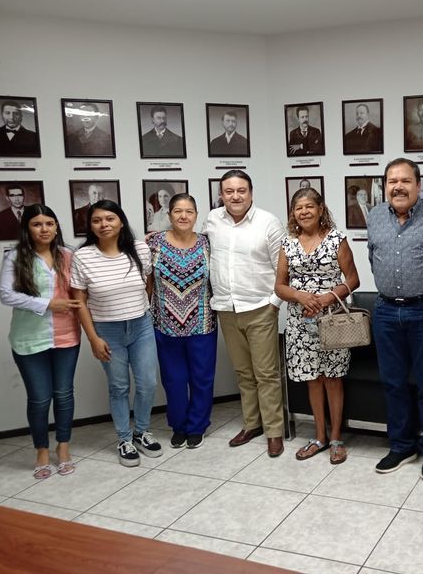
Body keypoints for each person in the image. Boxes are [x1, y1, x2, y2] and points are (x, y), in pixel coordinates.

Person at [367, 157, 423, 480]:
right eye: (392, 181)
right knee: (393, 383)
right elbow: (373, 259)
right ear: (385, 186)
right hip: (386, 310)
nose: (398, 187)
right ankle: (402, 445)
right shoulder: (375, 216)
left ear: (419, 185)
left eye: (405, 181)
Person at [70, 200, 162, 467]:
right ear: (90, 225)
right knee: (119, 386)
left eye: (110, 218)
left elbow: (148, 282)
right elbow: (80, 301)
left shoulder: (139, 249)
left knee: (148, 383)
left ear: (121, 221)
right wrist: (93, 338)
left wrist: (139, 307)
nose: (104, 225)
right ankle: (124, 438)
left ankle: (142, 431)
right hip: (107, 330)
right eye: (97, 220)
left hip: (141, 325)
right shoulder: (83, 256)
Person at [203, 170, 287, 456]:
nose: (235, 196)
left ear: (251, 192)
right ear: (221, 194)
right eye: (229, 191)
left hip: (260, 307)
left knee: (266, 374)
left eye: (241, 190)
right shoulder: (213, 220)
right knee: (243, 373)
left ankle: (274, 431)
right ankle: (253, 424)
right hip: (226, 308)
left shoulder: (268, 222)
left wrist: (274, 302)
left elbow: (283, 269)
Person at [275, 188, 360, 464]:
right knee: (313, 380)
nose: (304, 212)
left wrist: (325, 298)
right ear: (293, 214)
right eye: (298, 208)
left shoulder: (337, 239)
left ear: (321, 209)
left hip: (331, 320)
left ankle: (336, 438)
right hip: (301, 322)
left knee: (333, 379)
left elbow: (353, 279)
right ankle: (319, 437)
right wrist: (299, 295)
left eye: (310, 206)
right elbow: (279, 286)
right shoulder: (288, 244)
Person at [0, 205, 82, 479]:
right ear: (27, 228)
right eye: (37, 224)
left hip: (67, 335)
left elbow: (80, 292)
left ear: (57, 227)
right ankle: (42, 451)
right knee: (39, 398)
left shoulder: (67, 255)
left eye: (49, 223)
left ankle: (64, 447)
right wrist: (47, 304)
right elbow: (6, 295)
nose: (44, 229)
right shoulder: (15, 256)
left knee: (64, 394)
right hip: (28, 339)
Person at [148, 193, 217, 450]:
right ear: (169, 215)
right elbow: (148, 281)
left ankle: (197, 426)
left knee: (202, 378)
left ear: (196, 216)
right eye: (178, 211)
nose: (183, 216)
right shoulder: (154, 243)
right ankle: (179, 425)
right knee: (174, 379)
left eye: (189, 211)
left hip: (202, 323)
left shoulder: (208, 244)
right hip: (165, 325)